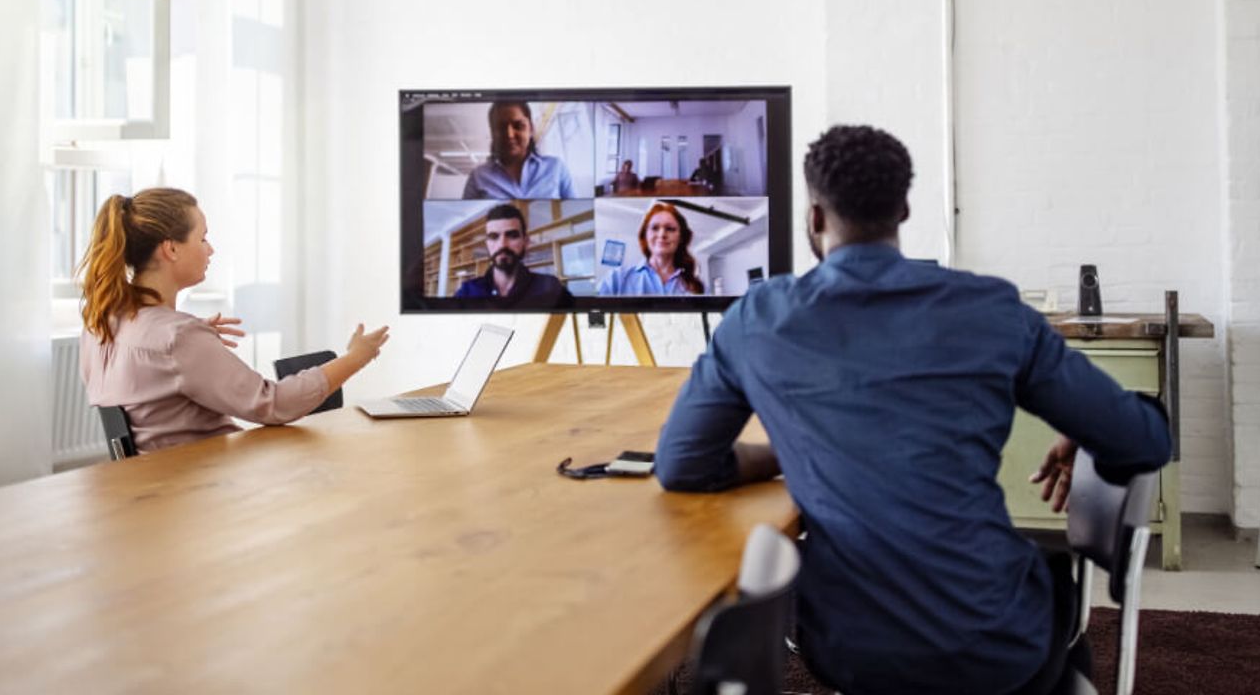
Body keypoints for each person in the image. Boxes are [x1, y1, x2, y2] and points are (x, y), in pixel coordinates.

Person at [653, 125, 1171, 695]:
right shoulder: (992, 308)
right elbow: (1143, 442)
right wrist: (1085, 429)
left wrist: (787, 453)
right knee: (1060, 636)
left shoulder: (758, 317)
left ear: (815, 217)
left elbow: (682, 465)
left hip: (851, 652)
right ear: (903, 208)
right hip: (996, 641)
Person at [77, 188, 390, 453]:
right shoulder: (177, 338)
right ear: (171, 249)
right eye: (203, 239)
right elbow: (274, 404)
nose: (210, 250)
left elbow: (151, 382)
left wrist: (193, 344)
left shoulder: (100, 323)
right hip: (207, 492)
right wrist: (356, 357)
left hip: (157, 493)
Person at [452, 203, 569, 308]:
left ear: (526, 242)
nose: (502, 245)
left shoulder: (551, 287)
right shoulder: (467, 292)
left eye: (512, 235)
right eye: (494, 237)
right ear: (487, 244)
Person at [462, 101, 575, 199]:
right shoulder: (478, 177)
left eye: (518, 126)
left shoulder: (556, 168)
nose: (510, 135)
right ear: (492, 133)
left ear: (531, 129)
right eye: (501, 127)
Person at [597, 202, 705, 295]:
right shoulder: (616, 279)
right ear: (645, 235)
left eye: (670, 229)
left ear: (681, 237)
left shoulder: (697, 287)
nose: (662, 234)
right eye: (655, 228)